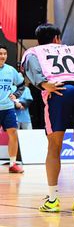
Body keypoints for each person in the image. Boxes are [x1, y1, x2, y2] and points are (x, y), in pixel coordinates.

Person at [21, 24, 74, 212]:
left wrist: (43, 83)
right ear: (57, 38)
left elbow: (30, 66)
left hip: (59, 92)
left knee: (54, 146)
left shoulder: (34, 51)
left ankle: (52, 200)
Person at [0, 45, 26, 173]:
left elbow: (21, 85)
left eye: (4, 54)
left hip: (8, 108)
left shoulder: (11, 70)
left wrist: (16, 95)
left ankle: (12, 164)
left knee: (13, 133)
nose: (2, 56)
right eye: (0, 54)